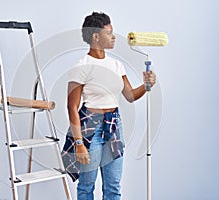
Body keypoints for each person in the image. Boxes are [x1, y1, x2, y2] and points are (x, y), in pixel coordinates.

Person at [61, 12, 156, 200]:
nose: (114, 37)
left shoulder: (116, 65)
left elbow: (129, 96)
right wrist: (79, 143)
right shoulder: (81, 66)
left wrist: (147, 86)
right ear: (96, 36)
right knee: (87, 185)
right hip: (90, 129)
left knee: (113, 185)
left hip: (114, 125)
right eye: (109, 33)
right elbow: (72, 107)